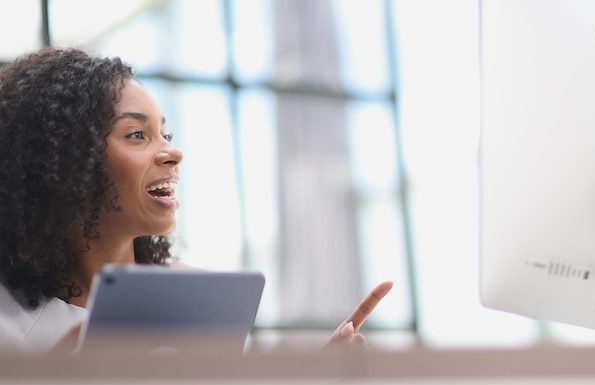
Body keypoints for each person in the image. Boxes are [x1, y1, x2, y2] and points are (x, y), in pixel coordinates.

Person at [0, 47, 393, 353]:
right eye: (137, 134)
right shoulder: (9, 319)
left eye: (164, 136)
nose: (173, 153)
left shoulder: (194, 293)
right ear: (67, 160)